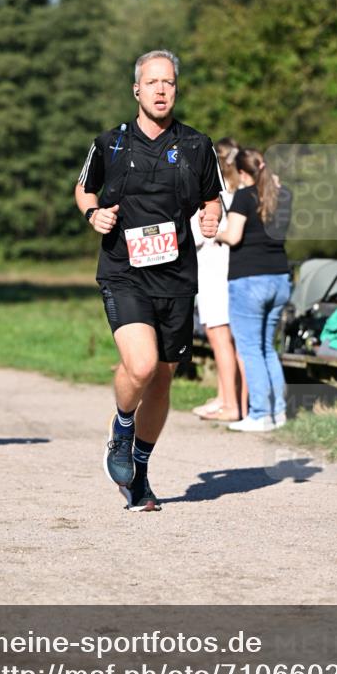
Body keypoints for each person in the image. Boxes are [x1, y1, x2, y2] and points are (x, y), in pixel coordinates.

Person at [75, 49, 223, 511]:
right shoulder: (110, 144)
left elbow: (211, 197)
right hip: (125, 272)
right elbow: (84, 188)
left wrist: (213, 215)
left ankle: (138, 472)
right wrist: (93, 214)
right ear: (136, 90)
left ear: (176, 90)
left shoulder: (198, 145)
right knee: (140, 366)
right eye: (153, 82)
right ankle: (120, 430)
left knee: (161, 380)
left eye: (170, 83)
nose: (162, 90)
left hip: (177, 277)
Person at [216, 147, 291, 432]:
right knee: (267, 348)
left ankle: (260, 414)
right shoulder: (284, 195)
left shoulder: (244, 197)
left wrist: (215, 234)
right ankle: (278, 412)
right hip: (280, 278)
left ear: (244, 173)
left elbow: (234, 237)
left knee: (250, 349)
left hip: (249, 280)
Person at [190, 137, 248, 423]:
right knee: (234, 339)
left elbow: (198, 235)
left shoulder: (214, 196)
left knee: (220, 337)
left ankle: (230, 403)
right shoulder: (241, 193)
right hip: (233, 268)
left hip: (214, 270)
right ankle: (231, 399)